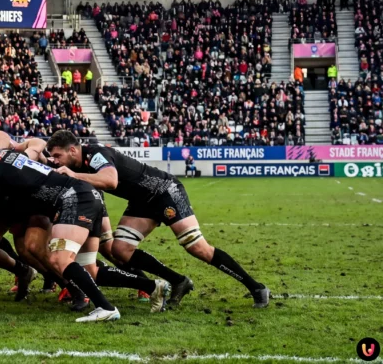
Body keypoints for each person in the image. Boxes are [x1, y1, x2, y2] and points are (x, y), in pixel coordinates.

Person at [44, 130, 269, 308]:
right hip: (142, 201)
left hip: (164, 191)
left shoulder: (95, 154)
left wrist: (73, 175)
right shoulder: (82, 161)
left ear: (73, 150)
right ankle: (179, 281)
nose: (55, 160)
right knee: (121, 250)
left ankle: (256, 287)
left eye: (58, 155)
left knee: (197, 247)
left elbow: (111, 180)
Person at [0, 145, 162, 322]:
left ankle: (105, 307)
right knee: (89, 270)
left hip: (72, 199)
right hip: (87, 195)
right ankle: (154, 286)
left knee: (59, 258)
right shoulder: (3, 156)